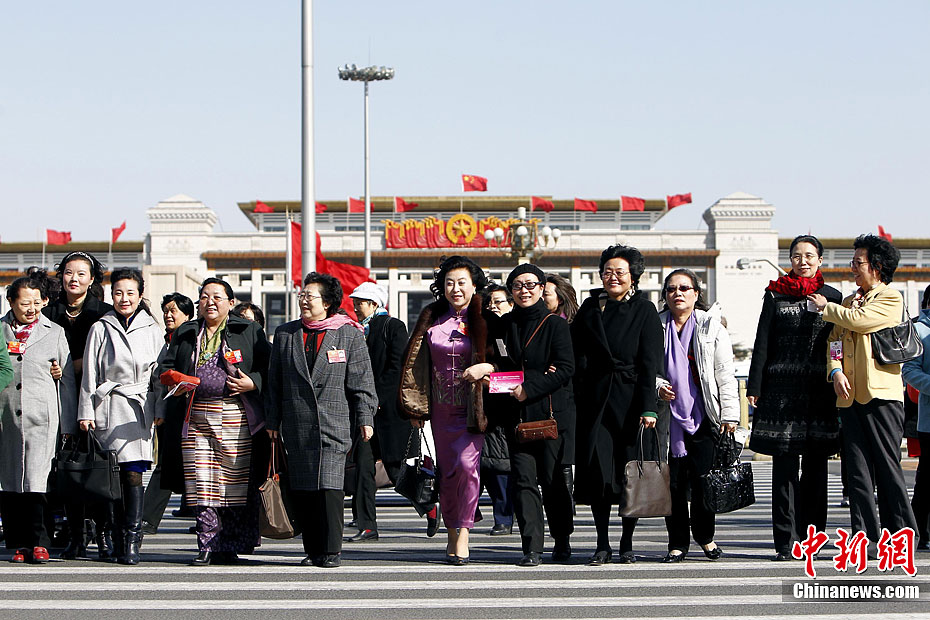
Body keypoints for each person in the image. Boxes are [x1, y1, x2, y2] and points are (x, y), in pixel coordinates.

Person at [808, 234, 919, 548]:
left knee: (886, 467)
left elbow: (861, 322)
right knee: (856, 472)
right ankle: (866, 536)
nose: (853, 268)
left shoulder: (890, 298)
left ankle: (902, 534)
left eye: (859, 262)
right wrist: (836, 370)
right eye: (853, 262)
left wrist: (826, 307)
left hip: (882, 396)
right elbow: (835, 343)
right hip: (849, 397)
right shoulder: (847, 301)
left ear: (878, 267)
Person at [264, 273, 377, 567]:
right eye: (302, 295)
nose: (303, 300)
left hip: (334, 422)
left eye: (309, 296)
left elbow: (362, 381)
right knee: (304, 489)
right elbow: (274, 383)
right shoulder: (286, 334)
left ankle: (331, 550)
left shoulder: (349, 334)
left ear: (327, 302)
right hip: (296, 424)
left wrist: (366, 417)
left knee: (329, 488)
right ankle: (312, 548)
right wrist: (272, 422)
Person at [158, 277, 270, 566]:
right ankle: (206, 543)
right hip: (195, 415)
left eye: (217, 297)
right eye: (205, 296)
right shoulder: (187, 331)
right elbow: (166, 367)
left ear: (231, 303)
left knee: (233, 481)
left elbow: (268, 368)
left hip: (236, 414)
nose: (210, 302)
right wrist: (177, 382)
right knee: (202, 482)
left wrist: (253, 383)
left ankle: (229, 544)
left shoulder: (248, 330)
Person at [746, 235, 842, 561]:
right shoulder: (775, 295)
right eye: (797, 255)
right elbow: (763, 341)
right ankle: (785, 542)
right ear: (790, 259)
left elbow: (838, 343)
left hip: (819, 392)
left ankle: (811, 539)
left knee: (816, 470)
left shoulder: (831, 297)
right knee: (784, 469)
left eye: (810, 255)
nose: (803, 261)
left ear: (820, 260)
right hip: (780, 393)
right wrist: (755, 387)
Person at [472, 263, 576, 566]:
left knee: (554, 481)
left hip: (551, 415)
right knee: (523, 481)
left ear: (542, 289)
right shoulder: (505, 325)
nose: (524, 290)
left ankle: (563, 538)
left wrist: (529, 387)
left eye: (531, 285)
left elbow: (566, 368)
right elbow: (504, 365)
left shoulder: (555, 325)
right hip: (516, 416)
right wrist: (497, 378)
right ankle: (531, 546)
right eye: (517, 285)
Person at [571, 244, 663, 565]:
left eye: (619, 272)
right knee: (599, 474)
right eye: (607, 271)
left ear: (633, 276)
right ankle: (601, 542)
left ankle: (626, 542)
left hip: (631, 403)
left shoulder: (645, 310)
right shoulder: (590, 307)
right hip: (595, 402)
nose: (612, 277)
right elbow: (575, 350)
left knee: (628, 475)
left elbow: (650, 363)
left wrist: (648, 407)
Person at [399, 255, 492, 565]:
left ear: (474, 285)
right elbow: (413, 365)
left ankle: (464, 534)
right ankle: (452, 531)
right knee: (448, 475)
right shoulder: (431, 318)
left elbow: (504, 361)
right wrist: (414, 405)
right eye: (449, 283)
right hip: (439, 410)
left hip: (472, 410)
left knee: (468, 469)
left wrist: (485, 366)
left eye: (462, 282)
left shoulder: (485, 319)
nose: (456, 288)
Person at [77, 268, 164, 565]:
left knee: (134, 474)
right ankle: (113, 535)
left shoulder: (153, 330)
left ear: (140, 295)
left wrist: (160, 410)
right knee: (110, 478)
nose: (124, 298)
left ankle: (132, 539)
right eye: (118, 292)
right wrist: (86, 412)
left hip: (139, 408)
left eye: (130, 293)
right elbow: (90, 374)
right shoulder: (101, 327)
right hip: (109, 406)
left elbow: (159, 377)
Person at [656, 269, 738, 562]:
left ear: (695, 294)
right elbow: (647, 370)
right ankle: (677, 543)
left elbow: (725, 374)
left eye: (684, 288)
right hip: (668, 420)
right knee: (673, 485)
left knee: (705, 482)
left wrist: (730, 415)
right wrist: (658, 387)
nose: (678, 293)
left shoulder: (710, 326)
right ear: (665, 295)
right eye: (672, 289)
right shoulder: (656, 326)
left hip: (704, 416)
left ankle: (706, 537)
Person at [43, 251, 114, 560]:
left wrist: (74, 365)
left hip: (96, 400)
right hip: (58, 399)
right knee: (68, 468)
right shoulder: (48, 312)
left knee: (97, 469)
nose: (74, 279)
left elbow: (111, 355)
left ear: (92, 279)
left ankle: (104, 533)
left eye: (81, 274)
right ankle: (75, 534)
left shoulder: (104, 312)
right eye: (69, 273)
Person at [0, 275, 72, 564]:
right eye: (24, 303)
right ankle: (17, 542)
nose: (31, 308)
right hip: (6, 417)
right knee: (10, 481)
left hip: (42, 416)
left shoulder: (53, 332)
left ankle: (40, 541)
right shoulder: (1, 329)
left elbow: (66, 378)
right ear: (11, 302)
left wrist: (67, 422)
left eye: (36, 302)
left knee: (38, 480)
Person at [344, 282, 408, 542]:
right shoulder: (356, 331)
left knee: (394, 468)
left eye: (359, 302)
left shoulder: (393, 327)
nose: (355, 308)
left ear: (373, 303)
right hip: (364, 412)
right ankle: (367, 524)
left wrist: (377, 397)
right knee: (363, 467)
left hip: (388, 412)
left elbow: (397, 367)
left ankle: (427, 505)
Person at [141, 293, 196, 535]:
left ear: (188, 315)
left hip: (193, 410)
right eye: (166, 310)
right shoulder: (164, 339)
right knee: (166, 464)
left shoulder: (193, 337)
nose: (168, 315)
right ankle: (147, 519)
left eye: (174, 310)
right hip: (170, 410)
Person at [903, 284, 930, 550]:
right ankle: (918, 532)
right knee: (926, 480)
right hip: (929, 420)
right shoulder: (919, 331)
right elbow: (909, 370)